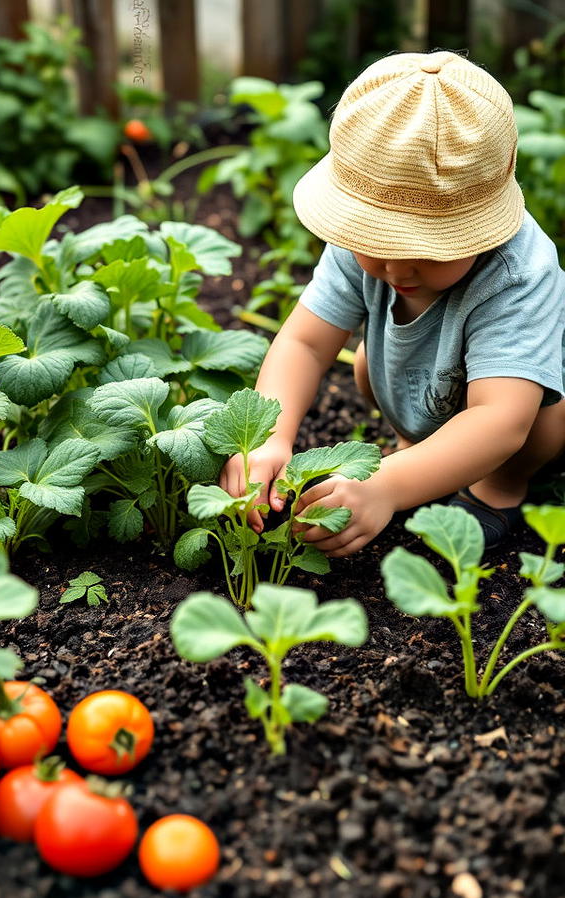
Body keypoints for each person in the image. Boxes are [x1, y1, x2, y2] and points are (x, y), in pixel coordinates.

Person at [220, 49, 565, 557]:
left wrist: (385, 487)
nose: (396, 270)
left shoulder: (518, 275)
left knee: (536, 421)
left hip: (515, 425)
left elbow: (499, 420)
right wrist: (269, 438)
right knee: (363, 364)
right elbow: (305, 343)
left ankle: (498, 492)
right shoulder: (357, 245)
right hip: (422, 392)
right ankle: (419, 456)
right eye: (375, 244)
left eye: (425, 250)